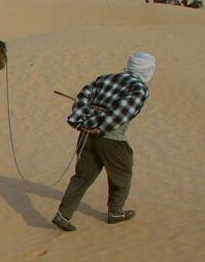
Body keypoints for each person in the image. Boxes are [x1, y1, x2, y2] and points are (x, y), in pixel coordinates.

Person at [52, 52, 154, 231]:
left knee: (82, 176)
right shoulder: (139, 88)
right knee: (122, 173)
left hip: (86, 135)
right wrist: (99, 127)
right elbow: (121, 113)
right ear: (148, 70)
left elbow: (82, 97)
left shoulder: (104, 79)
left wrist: (82, 120)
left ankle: (63, 214)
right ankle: (115, 212)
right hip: (111, 137)